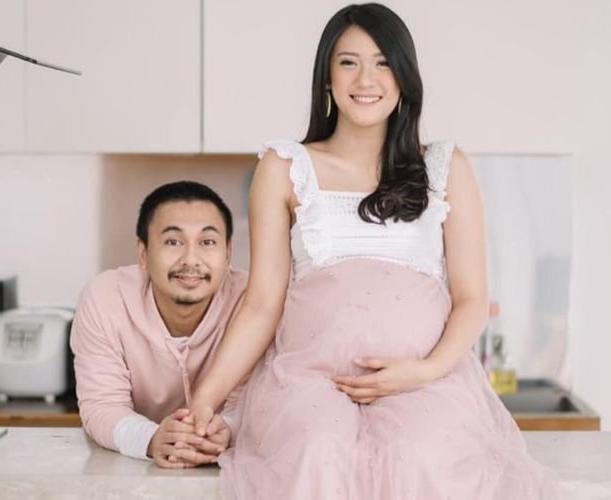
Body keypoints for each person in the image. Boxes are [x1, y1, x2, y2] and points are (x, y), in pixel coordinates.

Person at [183, 4, 559, 498]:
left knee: (417, 457)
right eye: (349, 62)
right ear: (327, 78)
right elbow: (261, 305)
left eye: (383, 63)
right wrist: (204, 401)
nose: (366, 79)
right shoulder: (284, 167)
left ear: (404, 78)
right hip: (310, 383)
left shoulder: (445, 167)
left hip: (425, 382)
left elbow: (471, 300)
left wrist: (424, 370)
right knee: (316, 452)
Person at [70, 181, 247, 469]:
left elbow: (257, 401)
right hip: (134, 470)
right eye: (173, 242)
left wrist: (227, 428)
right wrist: (152, 439)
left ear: (228, 254)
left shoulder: (252, 302)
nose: (191, 259)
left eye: (207, 242)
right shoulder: (105, 297)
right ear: (143, 253)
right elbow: (102, 405)